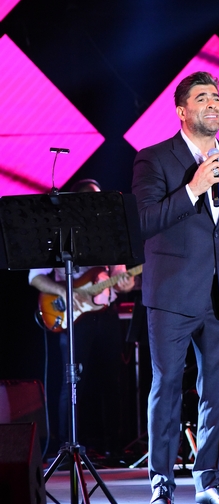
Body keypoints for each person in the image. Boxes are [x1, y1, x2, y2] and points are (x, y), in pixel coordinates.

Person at [132, 71, 219, 504]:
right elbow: (144, 222)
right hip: (172, 295)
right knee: (167, 387)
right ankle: (161, 486)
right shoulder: (154, 158)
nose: (213, 103)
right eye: (202, 97)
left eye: (216, 97)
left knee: (218, 391)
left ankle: (209, 483)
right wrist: (193, 188)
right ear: (182, 111)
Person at [28, 179, 135, 464]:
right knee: (73, 382)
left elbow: (121, 278)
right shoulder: (59, 232)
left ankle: (113, 448)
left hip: (106, 314)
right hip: (74, 317)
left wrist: (125, 282)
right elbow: (35, 276)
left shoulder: (109, 233)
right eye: (89, 199)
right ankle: (67, 447)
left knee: (112, 382)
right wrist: (65, 291)